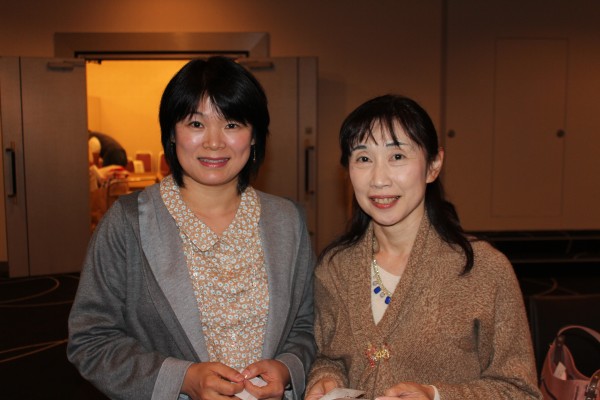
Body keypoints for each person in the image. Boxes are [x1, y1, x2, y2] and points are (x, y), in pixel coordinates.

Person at [68, 56, 316, 400]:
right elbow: (91, 339)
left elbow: (308, 324)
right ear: (172, 133)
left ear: (254, 136)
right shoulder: (128, 223)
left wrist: (288, 368)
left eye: (232, 124)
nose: (214, 142)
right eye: (196, 124)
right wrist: (181, 378)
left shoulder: (287, 221)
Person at [305, 94, 542, 400]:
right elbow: (329, 357)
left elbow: (520, 390)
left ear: (433, 165)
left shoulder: (484, 269)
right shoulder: (336, 267)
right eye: (363, 159)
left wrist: (436, 396)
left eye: (397, 156)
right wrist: (325, 378)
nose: (378, 179)